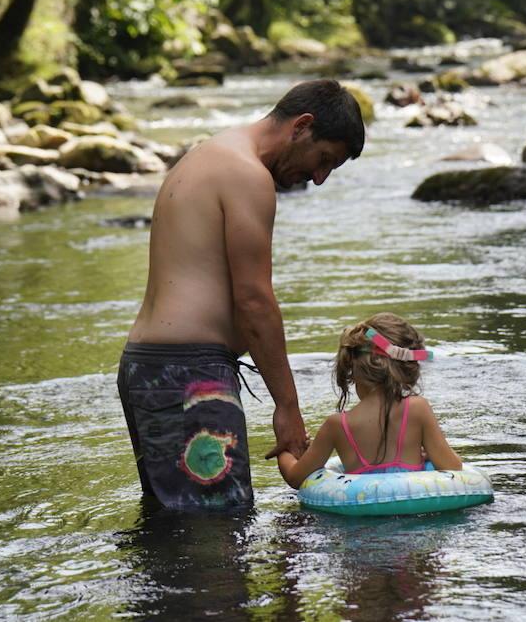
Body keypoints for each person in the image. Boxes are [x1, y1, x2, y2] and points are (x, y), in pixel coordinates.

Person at [119, 79, 366, 510]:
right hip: (190, 380)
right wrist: (287, 407)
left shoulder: (207, 156)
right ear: (302, 126)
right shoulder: (247, 175)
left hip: (146, 370)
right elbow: (254, 300)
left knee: (172, 534)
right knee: (218, 536)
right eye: (324, 159)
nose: (319, 178)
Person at [276, 313, 462, 489]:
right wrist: (430, 454)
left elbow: (295, 478)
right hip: (418, 517)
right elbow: (453, 469)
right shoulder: (418, 408)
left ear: (352, 367)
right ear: (407, 368)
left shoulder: (336, 425)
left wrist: (285, 449)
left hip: (360, 521)